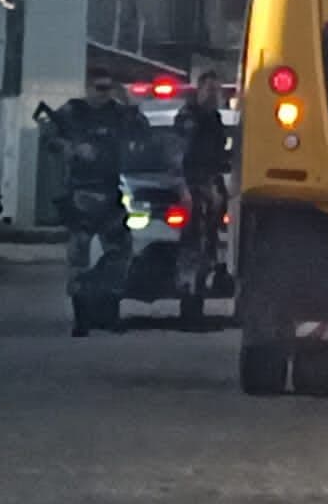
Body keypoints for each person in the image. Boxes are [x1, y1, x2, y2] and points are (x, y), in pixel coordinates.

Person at [42, 69, 150, 337]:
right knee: (78, 256)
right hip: (80, 191)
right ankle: (82, 318)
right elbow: (49, 137)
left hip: (110, 190)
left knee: (120, 253)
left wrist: (130, 102)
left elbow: (143, 130)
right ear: (88, 88)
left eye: (107, 89)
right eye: (99, 88)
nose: (103, 94)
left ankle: (109, 312)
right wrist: (70, 148)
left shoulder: (117, 112)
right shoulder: (73, 112)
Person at [175, 71, 229, 267]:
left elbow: (219, 151)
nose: (214, 95)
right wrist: (186, 186)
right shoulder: (189, 116)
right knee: (194, 226)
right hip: (192, 180)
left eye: (217, 90)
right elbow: (183, 150)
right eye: (210, 89)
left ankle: (211, 263)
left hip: (211, 177)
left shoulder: (214, 118)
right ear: (200, 91)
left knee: (214, 222)